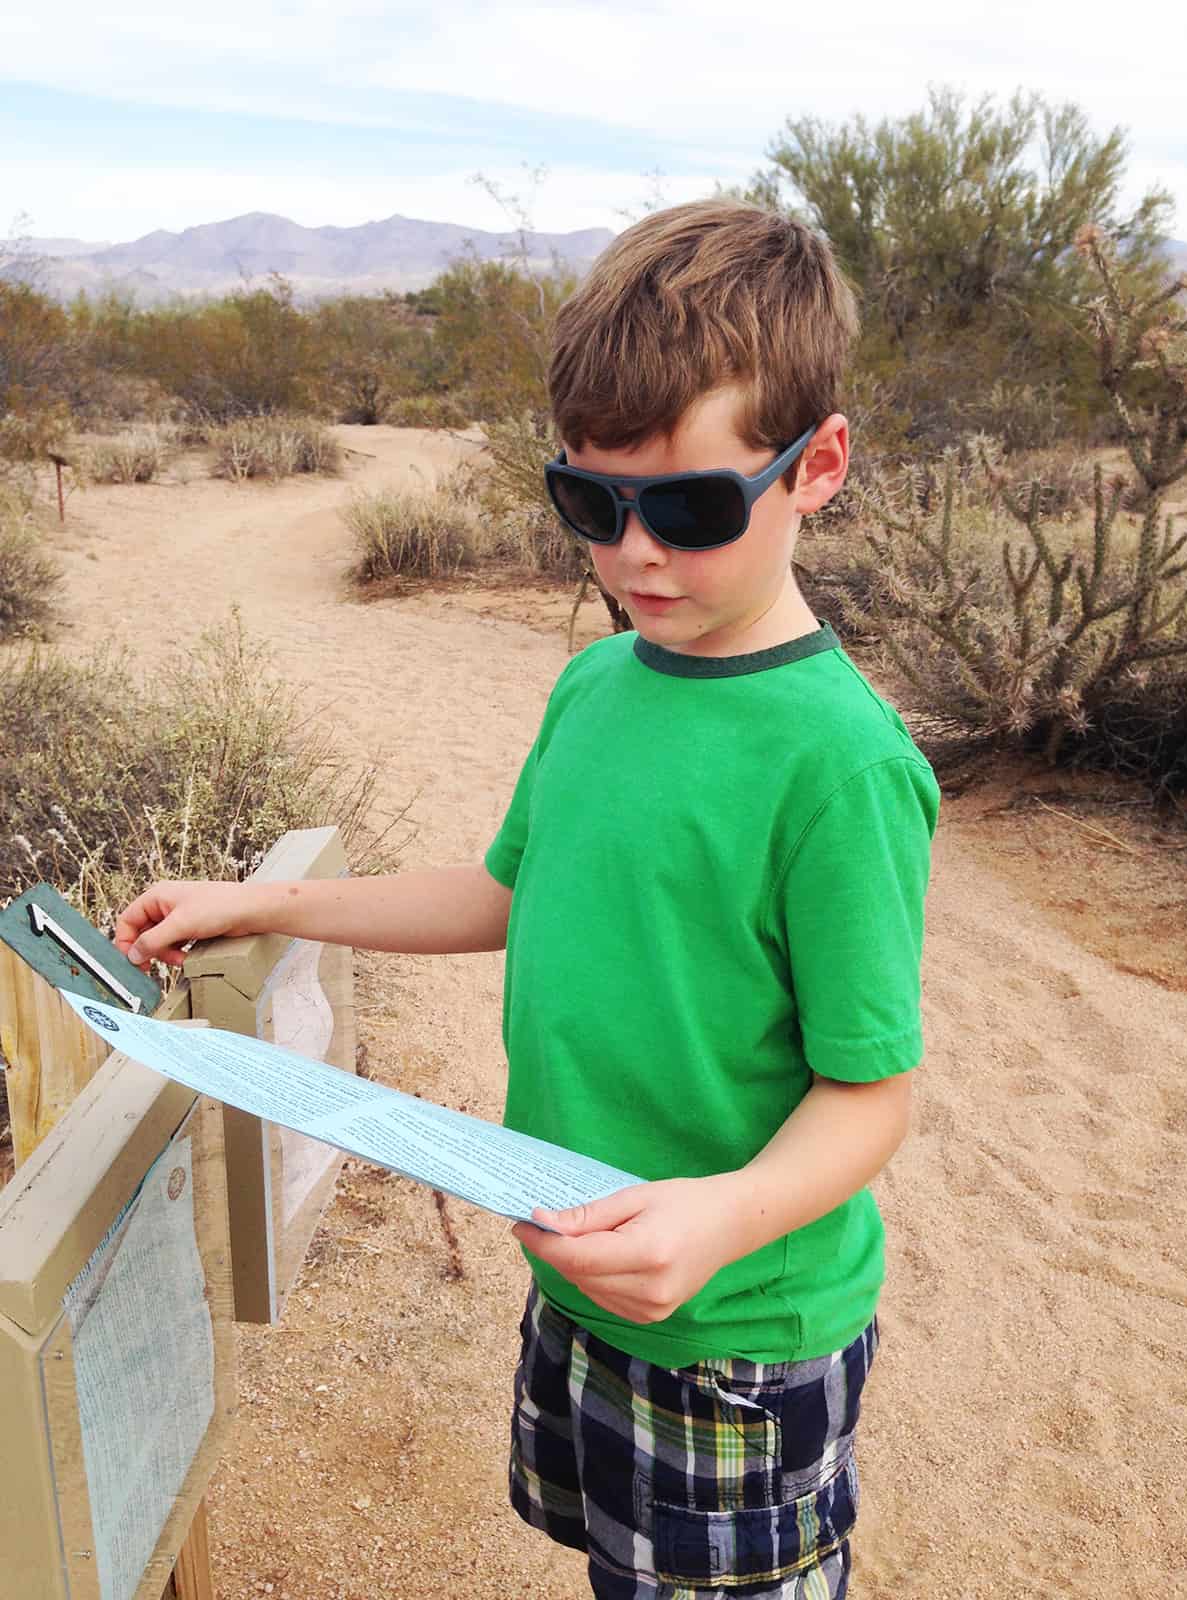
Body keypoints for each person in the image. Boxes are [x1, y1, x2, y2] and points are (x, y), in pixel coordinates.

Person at [114, 198, 939, 1600]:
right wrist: (265, 910)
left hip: (733, 1320)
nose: (632, 555)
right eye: (588, 501)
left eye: (685, 505)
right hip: (581, 1273)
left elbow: (874, 1094)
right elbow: (504, 893)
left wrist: (720, 1222)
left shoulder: (841, 766)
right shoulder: (597, 682)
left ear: (820, 467)